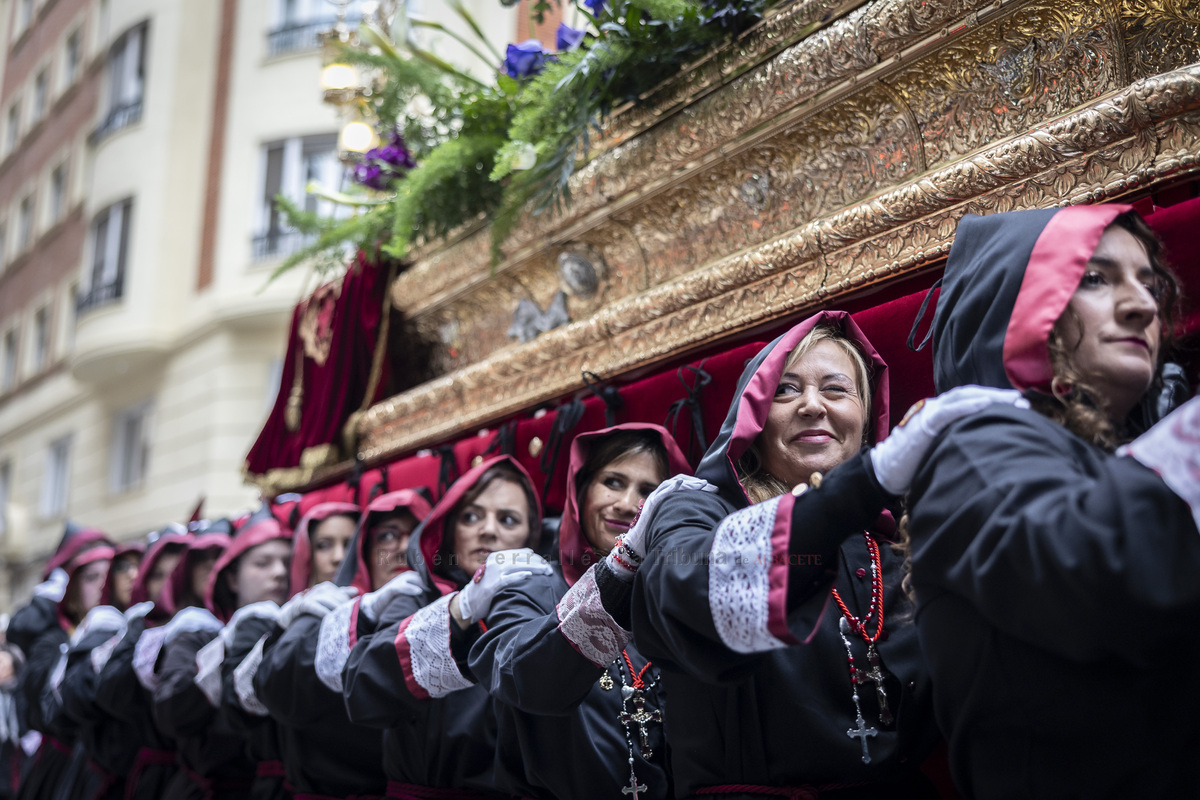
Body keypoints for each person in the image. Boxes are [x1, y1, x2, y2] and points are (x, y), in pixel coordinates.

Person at [627, 310, 1020, 799]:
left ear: (866, 413)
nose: (812, 405)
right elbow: (684, 590)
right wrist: (860, 485)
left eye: (836, 389)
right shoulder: (698, 511)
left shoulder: (904, 542)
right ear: (754, 416)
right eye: (786, 391)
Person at [904, 205, 1200, 798]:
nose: (1142, 304)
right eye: (1095, 277)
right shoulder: (974, 447)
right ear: (1020, 306)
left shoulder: (1117, 460)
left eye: (1149, 282)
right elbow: (1100, 573)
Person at [468, 424, 689, 799]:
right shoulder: (531, 586)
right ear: (581, 490)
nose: (626, 504)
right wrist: (620, 566)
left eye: (648, 492)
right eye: (614, 482)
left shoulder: (676, 602)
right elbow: (518, 675)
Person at [339, 456, 547, 799]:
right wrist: (460, 610)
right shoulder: (418, 599)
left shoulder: (549, 605)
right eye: (472, 516)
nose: (489, 530)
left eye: (508, 519)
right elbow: (361, 687)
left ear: (531, 535)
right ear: (449, 530)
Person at [253, 491, 431, 799]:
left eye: (416, 534)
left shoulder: (452, 614)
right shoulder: (329, 613)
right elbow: (274, 687)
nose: (403, 548)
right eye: (387, 536)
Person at [152, 510, 290, 800]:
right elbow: (170, 713)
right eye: (263, 563)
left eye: (287, 562)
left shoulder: (299, 632)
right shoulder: (200, 634)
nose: (279, 572)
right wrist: (223, 653)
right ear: (232, 579)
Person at [96, 523, 227, 800]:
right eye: (158, 575)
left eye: (175, 571)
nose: (169, 582)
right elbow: (111, 695)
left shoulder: (212, 624)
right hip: (151, 775)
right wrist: (137, 630)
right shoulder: (142, 629)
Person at [10, 526, 113, 800]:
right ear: (72, 590)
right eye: (92, 578)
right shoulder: (53, 640)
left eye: (110, 576)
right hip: (60, 768)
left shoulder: (128, 633)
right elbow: (45, 706)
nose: (104, 585)